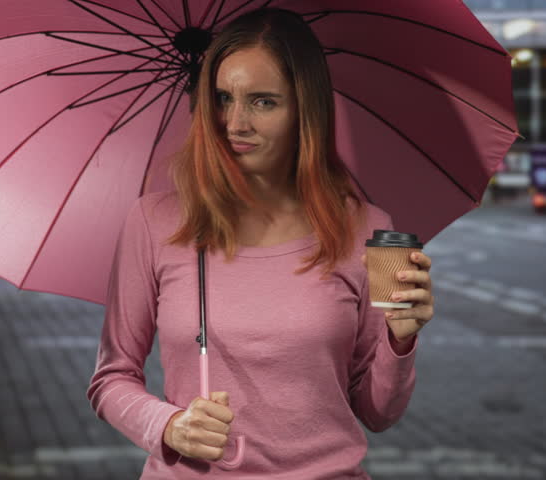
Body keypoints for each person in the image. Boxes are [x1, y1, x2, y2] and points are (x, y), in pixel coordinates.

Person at [87, 7, 435, 479]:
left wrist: (401, 339)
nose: (235, 123)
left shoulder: (369, 232)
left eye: (263, 102)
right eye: (222, 98)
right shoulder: (154, 221)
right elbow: (111, 378)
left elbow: (377, 412)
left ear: (304, 110)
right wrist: (169, 426)